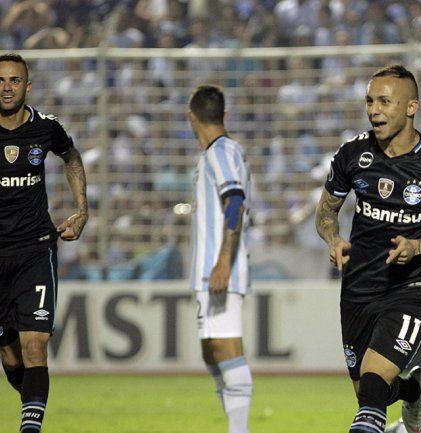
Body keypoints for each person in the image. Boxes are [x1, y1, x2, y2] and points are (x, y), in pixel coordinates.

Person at [316, 64, 421, 433]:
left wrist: (419, 247)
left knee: (371, 391)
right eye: (370, 100)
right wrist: (333, 238)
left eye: (385, 101)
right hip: (357, 288)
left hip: (409, 289)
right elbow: (326, 211)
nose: (374, 110)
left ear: (411, 107)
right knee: (369, 391)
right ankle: (413, 390)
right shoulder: (352, 153)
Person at [0, 53, 88, 433]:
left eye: (15, 81)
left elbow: (71, 156)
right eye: (0, 80)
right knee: (11, 357)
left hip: (35, 248)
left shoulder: (47, 127)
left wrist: (82, 208)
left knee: (34, 347)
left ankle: (31, 428)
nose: (7, 87)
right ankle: (29, 399)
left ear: (27, 87)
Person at [188, 84, 252, 433]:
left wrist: (224, 260)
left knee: (225, 349)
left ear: (191, 117)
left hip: (221, 270)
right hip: (210, 272)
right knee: (211, 352)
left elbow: (236, 202)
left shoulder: (222, 152)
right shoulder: (219, 152)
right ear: (224, 115)